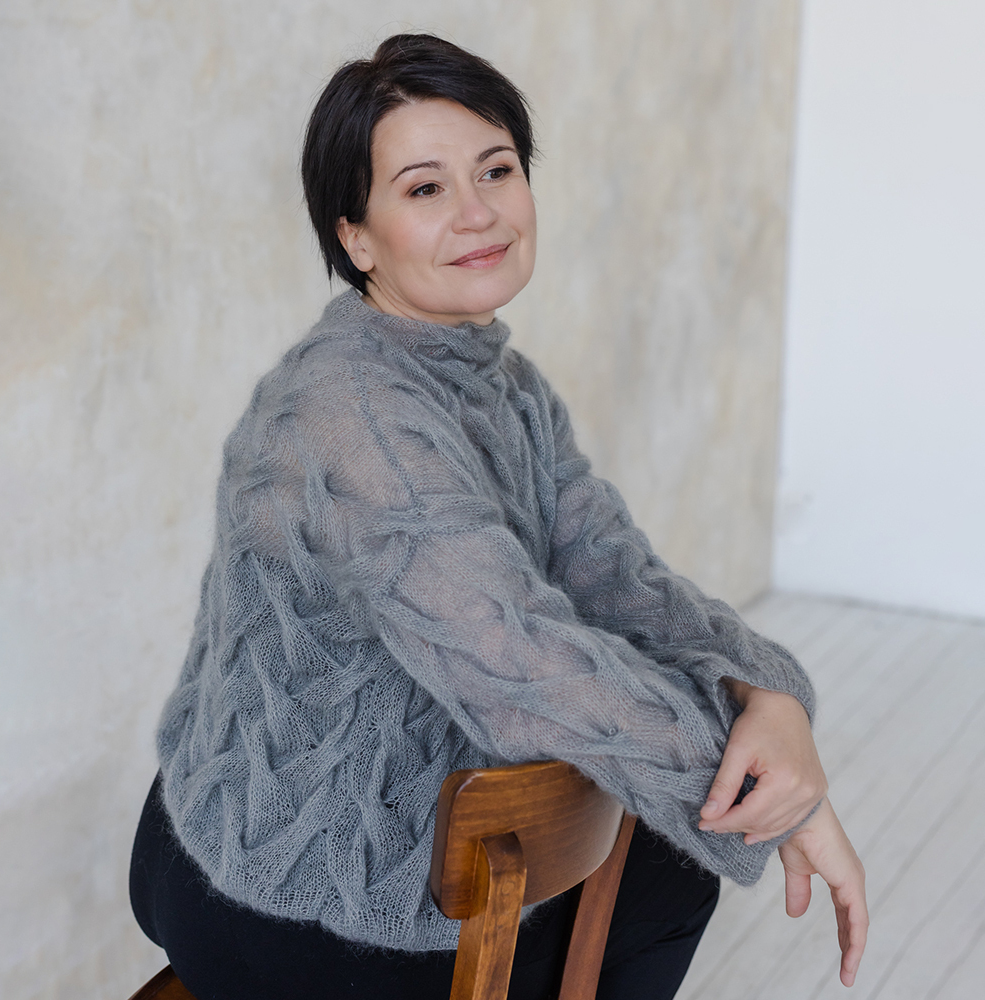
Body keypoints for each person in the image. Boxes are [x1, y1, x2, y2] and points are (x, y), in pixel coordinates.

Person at [130, 33, 867, 1000]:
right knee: (671, 841)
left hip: (436, 825)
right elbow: (514, 654)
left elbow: (613, 575)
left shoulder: (503, 384)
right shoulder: (347, 415)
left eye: (497, 169)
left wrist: (761, 692)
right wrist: (777, 802)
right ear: (357, 238)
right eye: (425, 188)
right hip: (285, 878)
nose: (478, 212)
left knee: (669, 858)